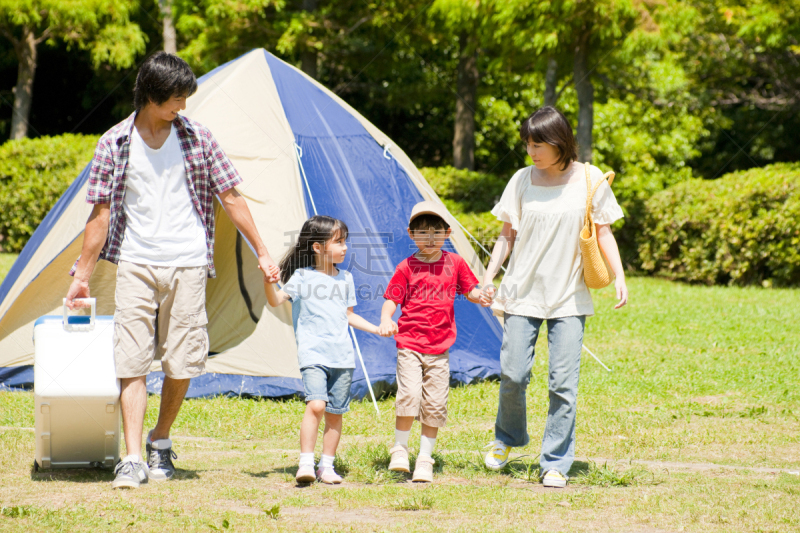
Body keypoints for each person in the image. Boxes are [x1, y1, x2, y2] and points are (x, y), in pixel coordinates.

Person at [65, 52, 280, 490]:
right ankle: (130, 458)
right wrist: (81, 275)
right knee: (132, 360)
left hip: (188, 262)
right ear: (150, 95)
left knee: (182, 361)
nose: (183, 106)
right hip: (135, 262)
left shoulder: (199, 138)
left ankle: (160, 440)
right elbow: (100, 214)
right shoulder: (114, 142)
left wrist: (262, 250)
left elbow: (232, 198)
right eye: (176, 98)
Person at [481, 106, 628, 488]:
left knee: (563, 383)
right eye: (527, 144)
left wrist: (619, 277)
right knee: (513, 373)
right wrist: (487, 275)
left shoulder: (591, 179)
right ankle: (507, 438)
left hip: (569, 296)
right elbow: (506, 235)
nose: (531, 151)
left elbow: (605, 231)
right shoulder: (521, 179)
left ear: (559, 141)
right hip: (522, 292)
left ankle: (556, 462)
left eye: (538, 143)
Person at [264, 215, 391, 484]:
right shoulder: (301, 277)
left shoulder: (346, 278)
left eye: (345, 241)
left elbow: (349, 315)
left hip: (343, 357)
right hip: (313, 354)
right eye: (339, 242)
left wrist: (376, 328)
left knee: (335, 414)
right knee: (317, 405)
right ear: (318, 247)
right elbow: (276, 300)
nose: (345, 247)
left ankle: (327, 466)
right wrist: (267, 281)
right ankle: (306, 463)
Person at [379, 201, 491, 483]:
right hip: (409, 344)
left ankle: (425, 458)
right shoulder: (406, 267)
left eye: (435, 232)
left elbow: (472, 290)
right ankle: (400, 450)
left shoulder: (455, 263)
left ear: (447, 233)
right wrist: (386, 319)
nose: (428, 239)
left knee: (435, 403)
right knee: (410, 395)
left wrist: (483, 296)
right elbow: (392, 298)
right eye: (421, 232)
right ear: (411, 234)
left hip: (440, 348)